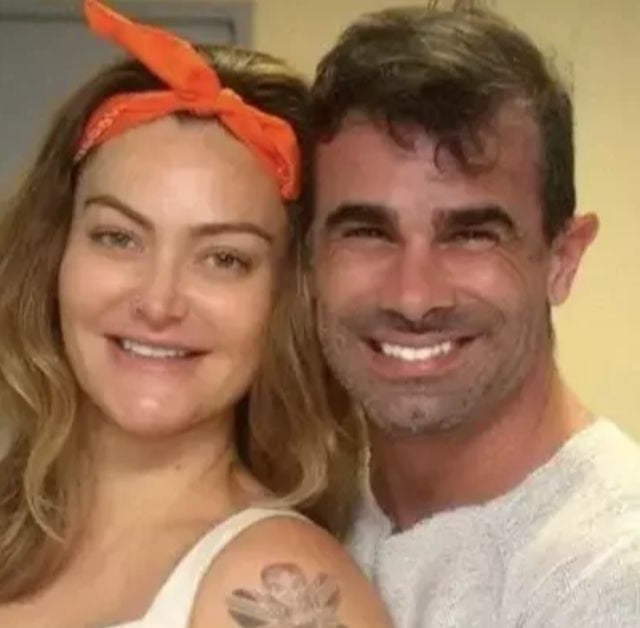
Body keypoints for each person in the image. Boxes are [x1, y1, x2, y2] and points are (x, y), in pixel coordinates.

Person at [0, 1, 391, 626]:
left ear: (285, 299)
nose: (158, 302)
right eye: (118, 237)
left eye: (224, 259)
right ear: (55, 254)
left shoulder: (282, 585)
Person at [308, 2, 640, 627]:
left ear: (563, 259)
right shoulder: (306, 516)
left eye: (470, 235)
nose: (413, 297)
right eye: (367, 232)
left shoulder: (616, 575)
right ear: (309, 257)